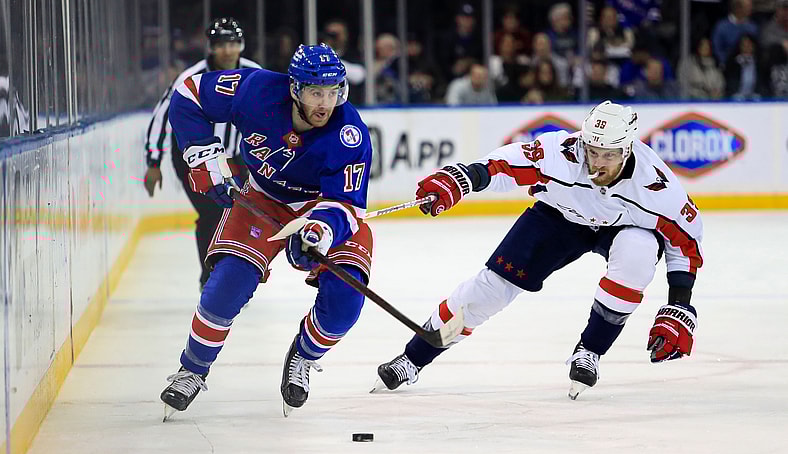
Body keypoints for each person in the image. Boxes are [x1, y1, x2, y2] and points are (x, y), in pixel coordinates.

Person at [372, 101, 703, 400]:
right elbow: (503, 166)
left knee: (638, 256)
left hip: (623, 228)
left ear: (628, 149)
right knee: (489, 290)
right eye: (592, 150)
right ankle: (412, 359)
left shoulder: (657, 186)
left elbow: (686, 242)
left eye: (609, 154)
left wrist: (679, 305)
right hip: (558, 218)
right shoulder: (560, 153)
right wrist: (464, 179)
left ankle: (590, 351)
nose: (597, 163)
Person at [159, 43, 373, 417]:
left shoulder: (350, 135)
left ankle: (303, 355)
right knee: (225, 287)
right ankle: (192, 370)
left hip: (320, 207)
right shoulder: (255, 89)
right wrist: (202, 154)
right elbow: (188, 93)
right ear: (294, 89)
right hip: (261, 197)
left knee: (346, 299)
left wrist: (319, 231)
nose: (325, 103)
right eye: (314, 92)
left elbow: (347, 205)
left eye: (333, 91)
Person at [143, 17, 261, 290]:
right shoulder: (191, 78)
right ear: (210, 47)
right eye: (221, 44)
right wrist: (153, 161)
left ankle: (228, 271)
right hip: (193, 159)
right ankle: (210, 277)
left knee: (239, 213)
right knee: (212, 213)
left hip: (235, 158)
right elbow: (163, 115)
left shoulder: (255, 74)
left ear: (241, 45)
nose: (228, 50)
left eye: (233, 43)